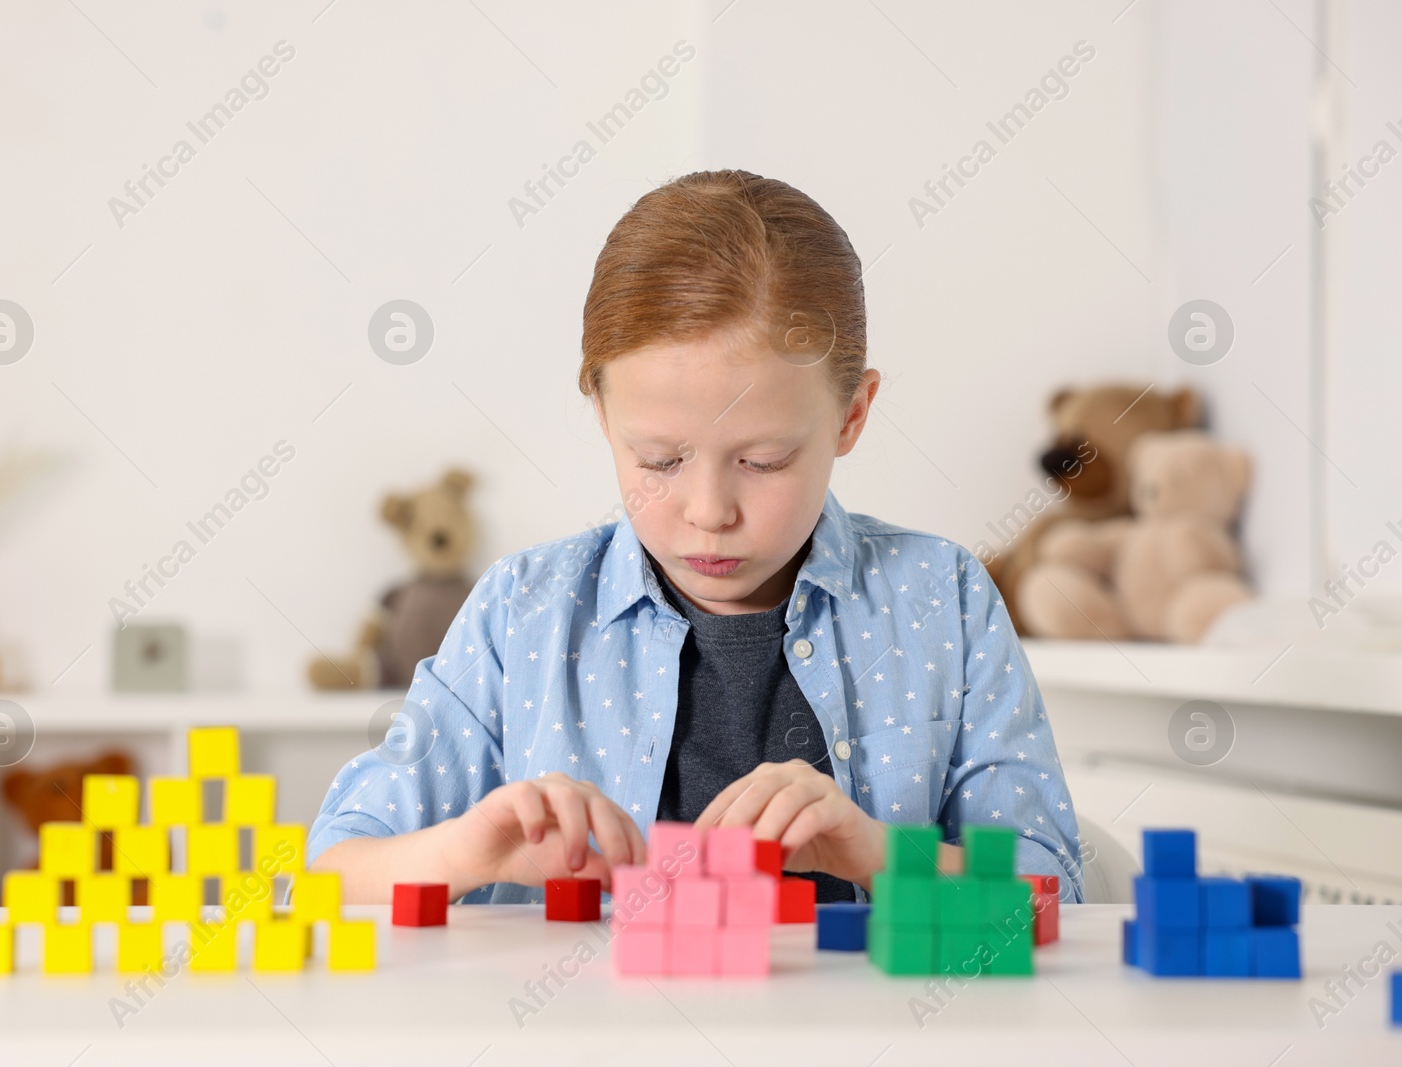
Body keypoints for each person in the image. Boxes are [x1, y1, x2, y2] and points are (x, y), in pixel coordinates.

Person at [308, 169, 1083, 904]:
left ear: (851, 415)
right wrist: (462, 854)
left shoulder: (939, 599)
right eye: (660, 459)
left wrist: (875, 851)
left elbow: (1050, 892)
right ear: (604, 416)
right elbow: (332, 868)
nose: (709, 510)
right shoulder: (525, 612)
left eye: (763, 460)